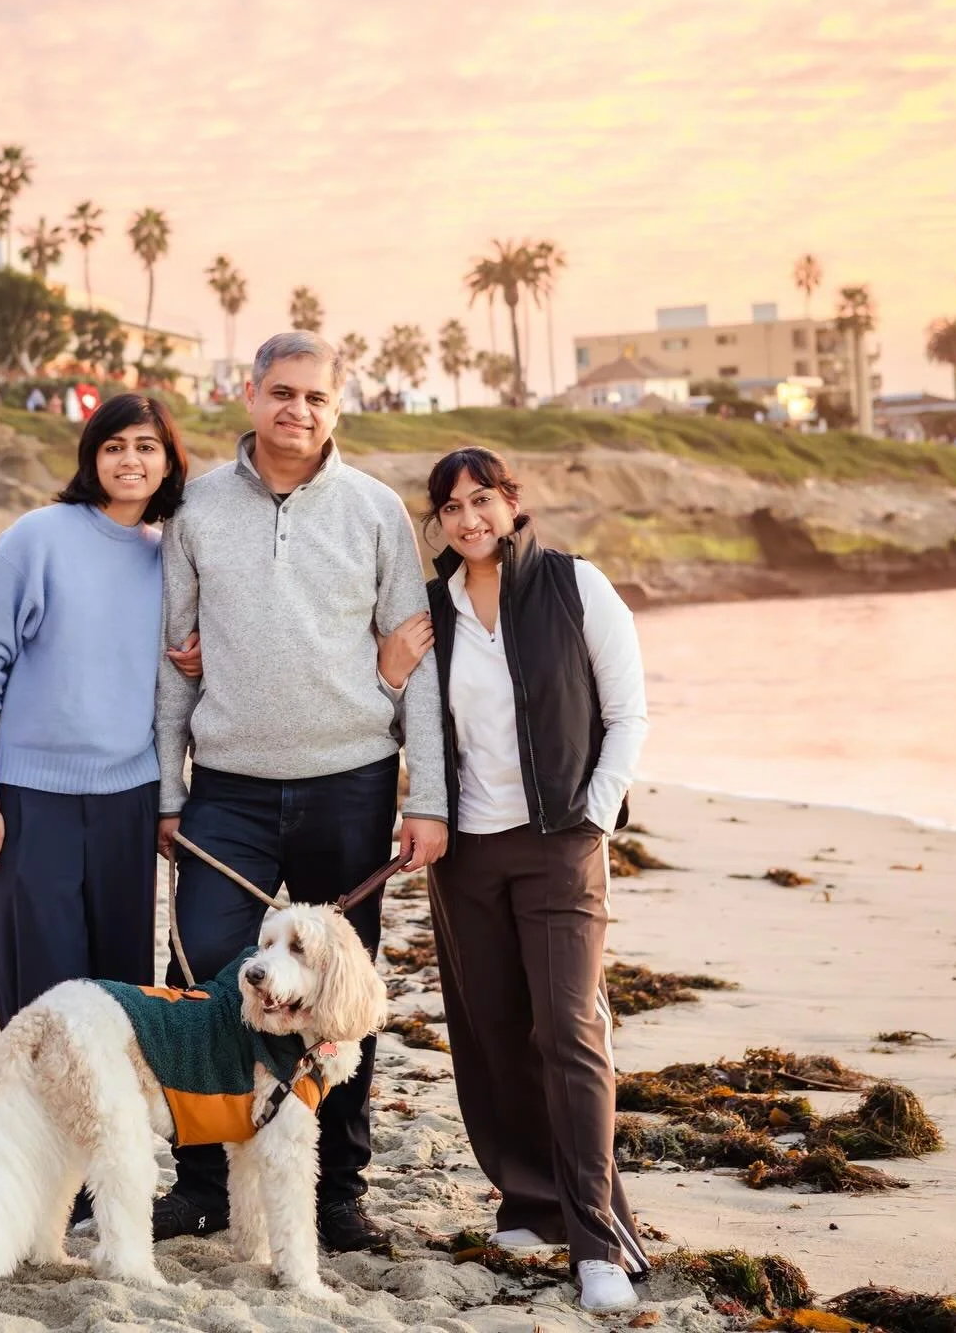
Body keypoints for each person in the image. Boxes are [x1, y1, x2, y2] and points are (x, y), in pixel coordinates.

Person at [152, 330, 448, 1254]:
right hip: (228, 789)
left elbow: (419, 657)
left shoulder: (373, 510)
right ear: (249, 396)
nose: (298, 412)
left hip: (350, 781)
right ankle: (201, 1181)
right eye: (282, 393)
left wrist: (426, 796)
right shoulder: (196, 509)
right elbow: (174, 664)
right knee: (201, 969)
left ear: (336, 408)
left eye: (316, 398)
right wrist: (169, 790)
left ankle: (336, 1194)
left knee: (340, 987)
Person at [383, 446, 650, 1313]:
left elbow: (627, 711)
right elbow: (403, 724)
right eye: (451, 507)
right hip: (466, 852)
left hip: (560, 843)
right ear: (438, 520)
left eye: (483, 500)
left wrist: (596, 813)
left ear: (511, 503)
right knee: (491, 1029)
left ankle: (598, 1239)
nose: (470, 519)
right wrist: (388, 675)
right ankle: (532, 1200)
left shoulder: (576, 586)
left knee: (568, 1032)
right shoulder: (433, 610)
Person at [0, 393, 199, 1037]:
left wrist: (199, 663)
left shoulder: (169, 557)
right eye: (114, 446)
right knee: (38, 997)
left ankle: (98, 1134)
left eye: (146, 447)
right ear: (92, 457)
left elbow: (176, 669)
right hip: (31, 802)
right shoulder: (37, 538)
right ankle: (36, 1132)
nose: (130, 460)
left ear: (169, 462)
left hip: (129, 801)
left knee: (117, 997)